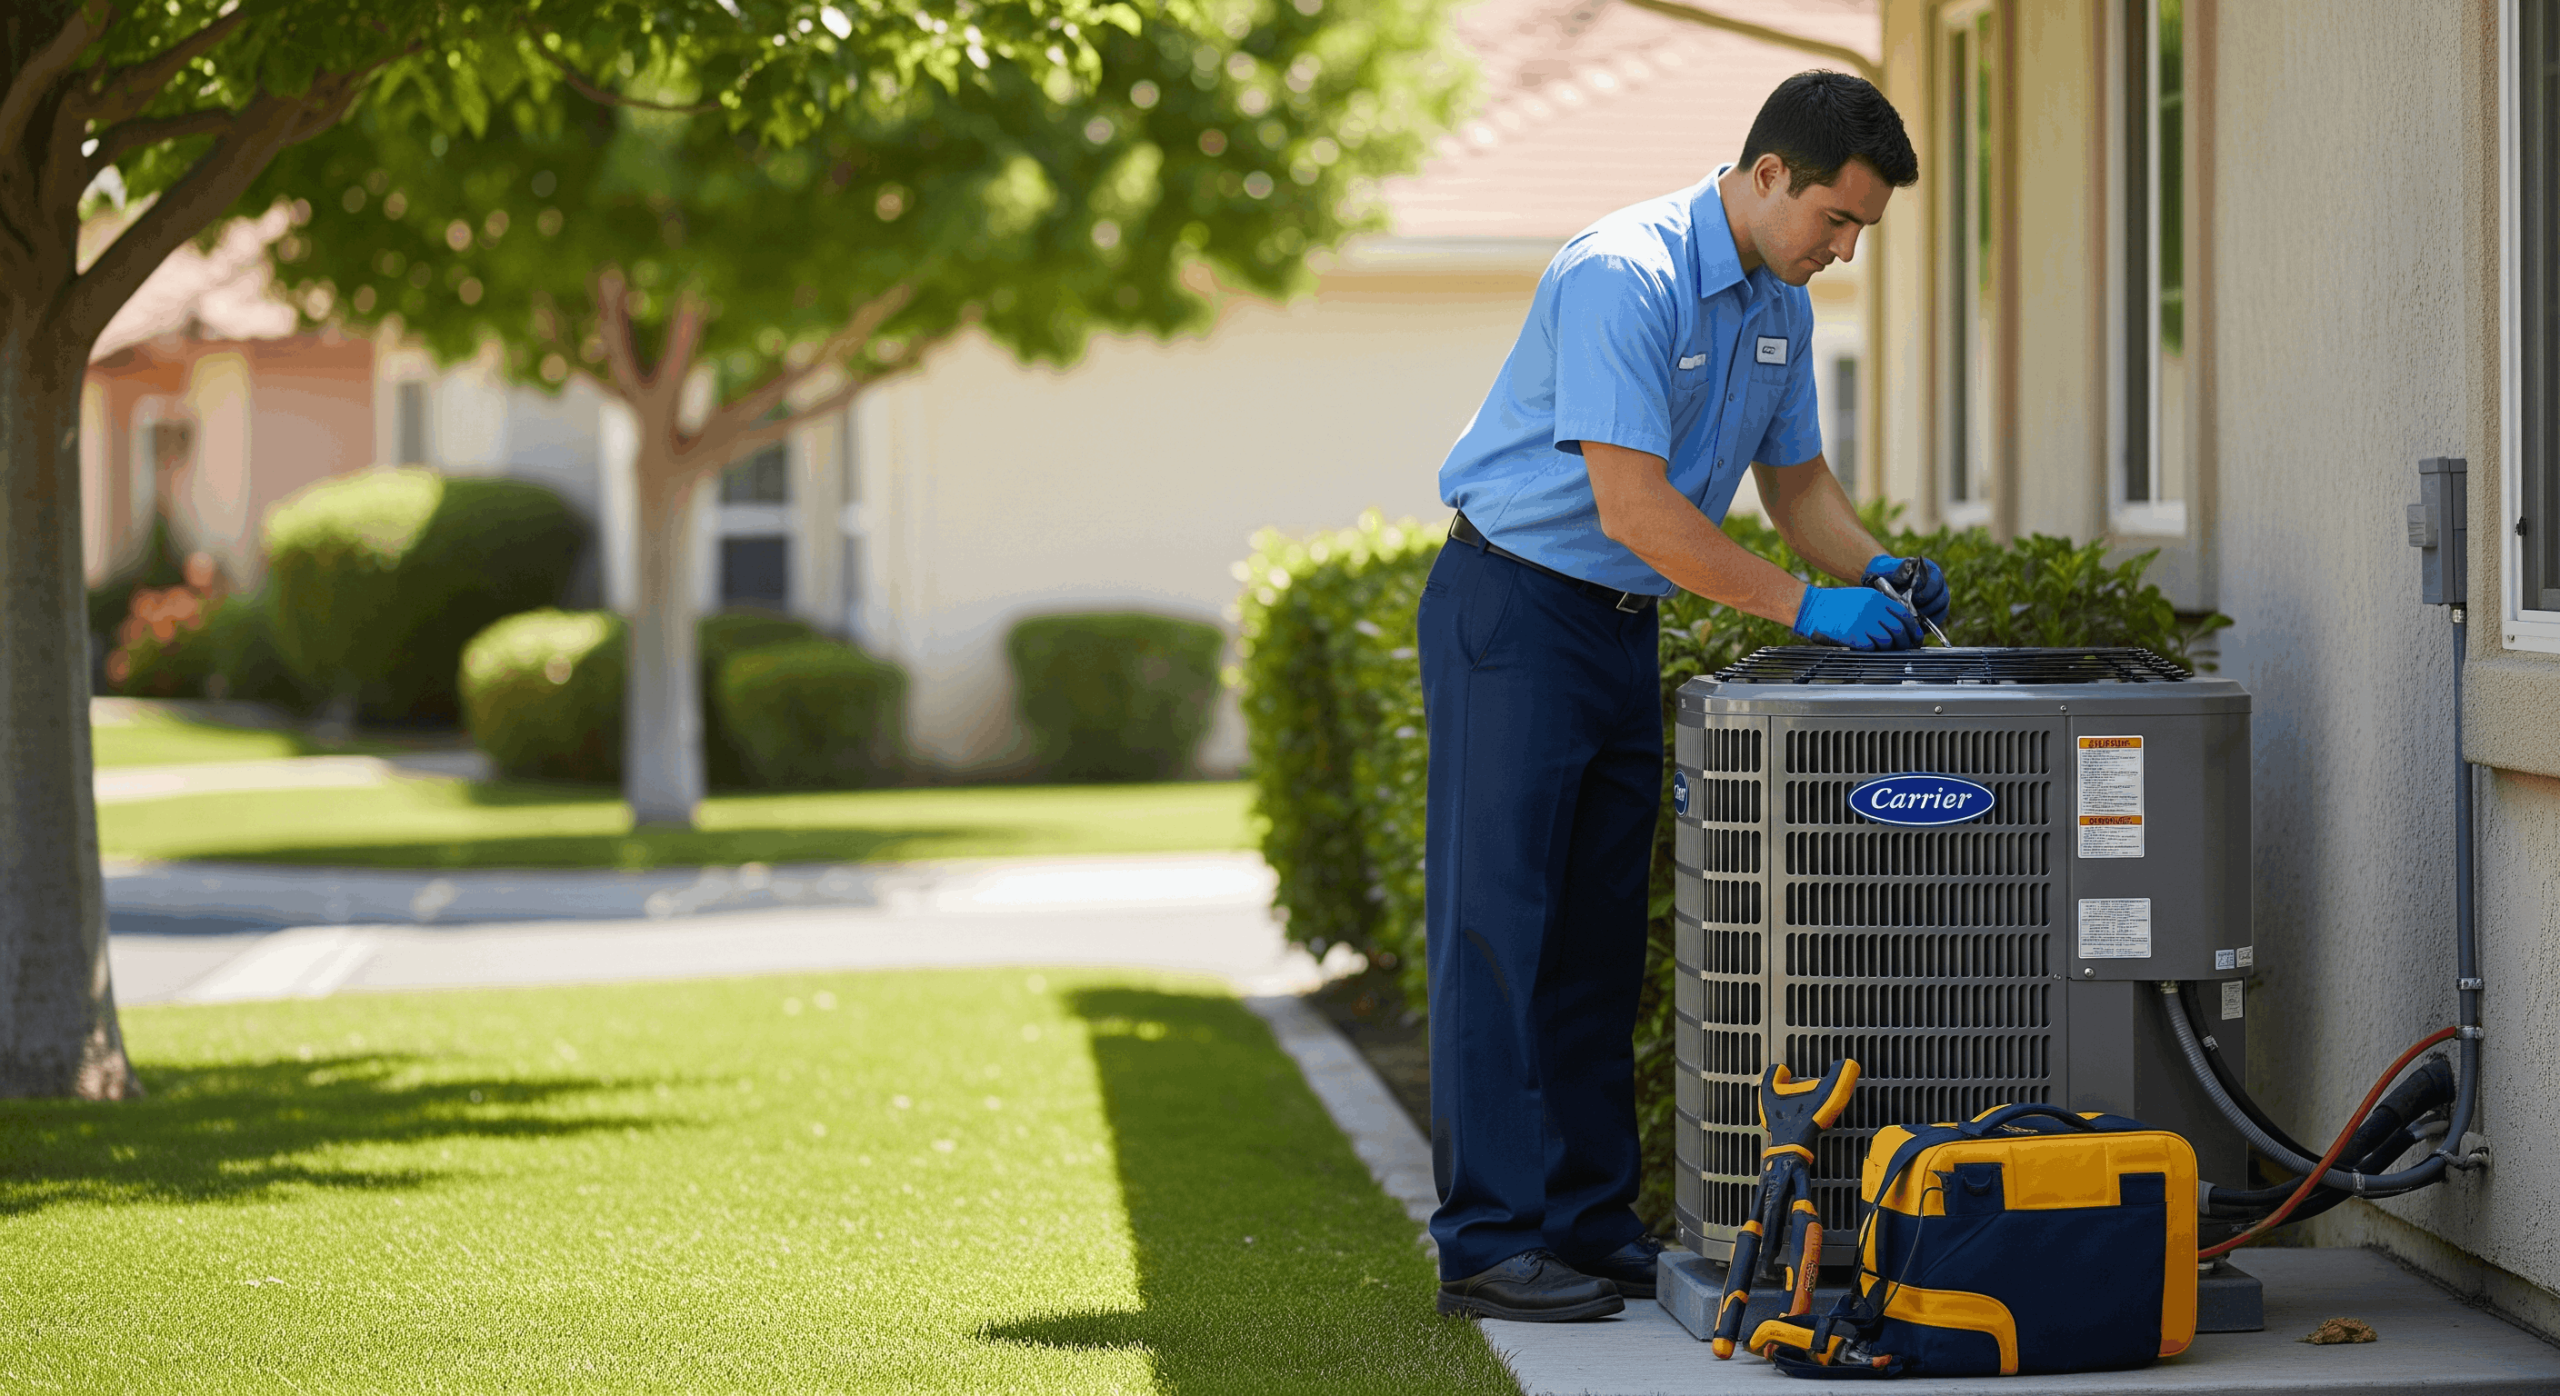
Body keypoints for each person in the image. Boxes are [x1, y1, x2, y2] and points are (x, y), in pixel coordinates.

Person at [1420, 70, 1943, 1322]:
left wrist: (1867, 565)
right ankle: (1488, 1243)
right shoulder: (1625, 275)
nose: (1842, 247)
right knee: (1498, 930)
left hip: (1613, 629)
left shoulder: (1780, 305)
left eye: (1861, 230)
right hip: (1515, 611)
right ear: (1769, 175)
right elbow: (1634, 506)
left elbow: (1798, 486)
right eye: (1836, 219)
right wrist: (1806, 608)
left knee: (1599, 936)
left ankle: (1590, 1225)